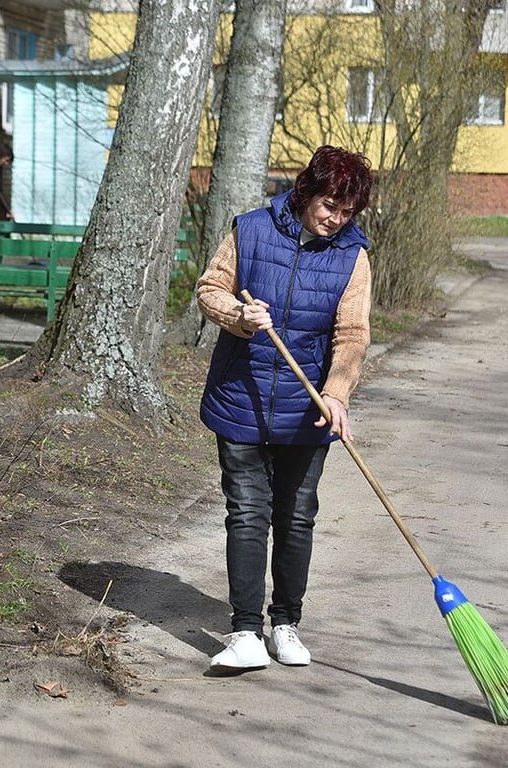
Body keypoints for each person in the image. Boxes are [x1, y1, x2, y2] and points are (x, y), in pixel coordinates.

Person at [196, 145, 374, 669]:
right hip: (242, 400)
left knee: (296, 518)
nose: (335, 220)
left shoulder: (353, 257)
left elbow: (353, 334)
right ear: (305, 192)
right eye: (328, 206)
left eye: (346, 213)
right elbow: (210, 290)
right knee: (248, 514)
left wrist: (338, 393)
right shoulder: (249, 231)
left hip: (306, 409)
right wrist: (240, 315)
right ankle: (245, 633)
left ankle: (285, 623)